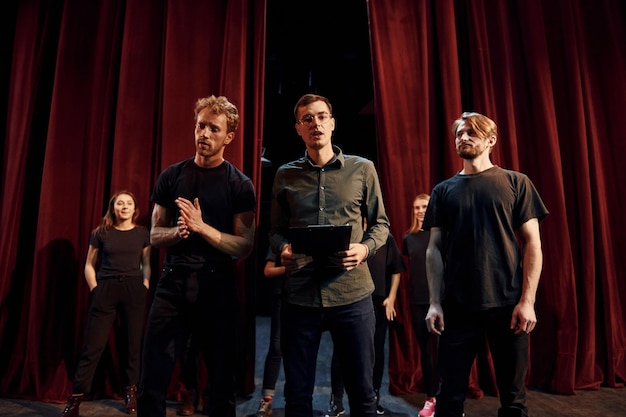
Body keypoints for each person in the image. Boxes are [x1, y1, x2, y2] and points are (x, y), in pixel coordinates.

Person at [269, 93, 390, 417]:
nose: (316, 123)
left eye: (322, 116)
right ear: (298, 128)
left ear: (333, 123)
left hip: (352, 296)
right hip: (300, 298)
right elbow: (275, 231)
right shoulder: (285, 175)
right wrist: (283, 248)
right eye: (307, 118)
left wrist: (364, 248)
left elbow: (381, 224)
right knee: (297, 395)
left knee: (363, 394)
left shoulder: (363, 169)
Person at [136, 95, 256, 417]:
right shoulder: (172, 176)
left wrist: (202, 228)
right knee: (153, 377)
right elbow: (154, 234)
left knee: (220, 384)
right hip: (172, 284)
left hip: (218, 288)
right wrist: (178, 233)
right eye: (200, 126)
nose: (203, 133)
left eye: (213, 129)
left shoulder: (240, 185)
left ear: (228, 137)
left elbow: (244, 245)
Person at [424, 112, 549, 417]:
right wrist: (434, 303)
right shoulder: (442, 191)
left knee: (513, 400)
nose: (463, 138)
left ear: (491, 140)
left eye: (471, 133)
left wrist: (527, 301)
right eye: (459, 133)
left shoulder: (516, 182)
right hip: (457, 307)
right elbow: (433, 250)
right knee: (449, 398)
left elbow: (533, 244)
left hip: (507, 306)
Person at [60, 191, 151, 417]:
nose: (124, 206)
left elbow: (146, 263)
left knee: (133, 345)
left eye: (129, 203)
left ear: (134, 209)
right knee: (93, 346)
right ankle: (76, 398)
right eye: (120, 203)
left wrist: (145, 285)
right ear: (113, 208)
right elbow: (89, 264)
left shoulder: (142, 234)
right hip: (106, 289)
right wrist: (95, 288)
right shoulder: (101, 233)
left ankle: (131, 393)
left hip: (133, 288)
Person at [327, 222, 404, 416]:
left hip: (378, 303)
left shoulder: (385, 238)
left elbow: (396, 269)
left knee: (376, 350)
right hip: (350, 301)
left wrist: (392, 297)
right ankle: (336, 401)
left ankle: (374, 396)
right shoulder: (346, 237)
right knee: (341, 351)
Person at [402, 193, 439, 417]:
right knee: (426, 352)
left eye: (424, 206)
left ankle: (449, 399)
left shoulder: (440, 235)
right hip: (417, 301)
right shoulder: (408, 238)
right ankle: (431, 398)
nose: (420, 210)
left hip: (441, 302)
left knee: (445, 351)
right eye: (416, 207)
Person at [255, 246, 287, 417]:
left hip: (304, 297)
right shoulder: (280, 239)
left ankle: (296, 397)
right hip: (281, 296)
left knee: (299, 350)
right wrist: (290, 268)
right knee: (276, 347)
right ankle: (266, 400)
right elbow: (267, 271)